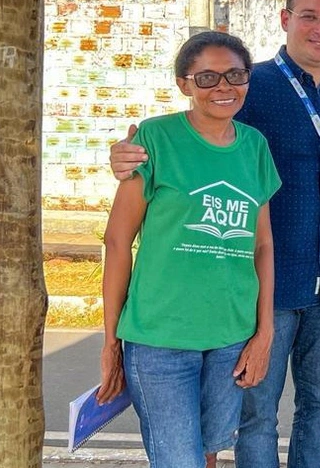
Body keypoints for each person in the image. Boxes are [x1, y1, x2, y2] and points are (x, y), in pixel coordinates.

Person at [108, 0, 320, 468]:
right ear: (285, 18)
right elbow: (195, 134)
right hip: (264, 286)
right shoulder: (251, 84)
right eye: (308, 15)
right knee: (256, 414)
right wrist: (125, 154)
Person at [96, 31, 280, 468]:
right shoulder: (155, 138)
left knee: (209, 453)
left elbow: (263, 245)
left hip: (230, 337)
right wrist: (110, 340)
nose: (223, 86)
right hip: (159, 338)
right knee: (180, 460)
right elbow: (118, 241)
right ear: (184, 84)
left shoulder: (254, 146)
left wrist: (264, 332)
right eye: (207, 77)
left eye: (235, 75)